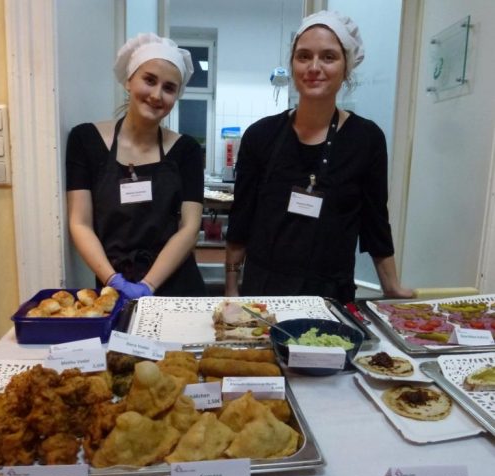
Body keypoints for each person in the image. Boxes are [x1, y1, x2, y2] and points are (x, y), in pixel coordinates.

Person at [225, 11, 413, 304]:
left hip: (331, 295)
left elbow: (375, 222)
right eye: (304, 56)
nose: (314, 67)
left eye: (328, 57)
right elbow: (241, 220)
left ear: (347, 67)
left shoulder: (366, 139)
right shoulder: (260, 135)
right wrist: (231, 289)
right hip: (262, 292)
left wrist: (391, 285)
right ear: (292, 64)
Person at [66, 33, 205, 299]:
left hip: (176, 287)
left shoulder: (185, 150)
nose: (156, 95)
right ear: (129, 80)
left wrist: (148, 285)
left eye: (169, 88)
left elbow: (189, 229)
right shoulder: (86, 140)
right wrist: (113, 281)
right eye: (149, 80)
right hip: (113, 288)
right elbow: (80, 222)